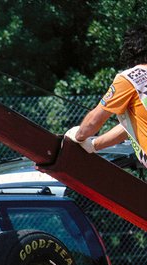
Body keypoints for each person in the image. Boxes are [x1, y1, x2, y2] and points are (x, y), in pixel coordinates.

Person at [66, 23, 147, 168]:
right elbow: (130, 127)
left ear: (131, 51)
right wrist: (93, 145)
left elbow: (94, 121)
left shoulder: (130, 78)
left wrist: (78, 136)